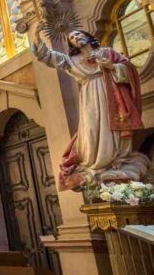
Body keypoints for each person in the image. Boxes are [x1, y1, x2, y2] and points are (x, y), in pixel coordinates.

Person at [30, 30, 149, 190]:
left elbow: (129, 69)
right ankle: (96, 163)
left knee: (112, 127)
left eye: (78, 34)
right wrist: (37, 37)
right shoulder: (72, 61)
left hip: (111, 95)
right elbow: (49, 57)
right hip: (89, 98)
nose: (76, 37)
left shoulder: (106, 52)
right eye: (72, 37)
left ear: (87, 36)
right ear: (71, 44)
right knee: (90, 131)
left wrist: (111, 66)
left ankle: (117, 159)